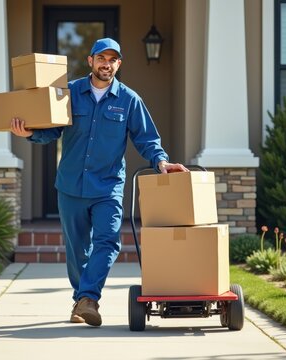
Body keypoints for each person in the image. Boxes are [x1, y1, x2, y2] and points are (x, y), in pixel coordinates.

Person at [10, 38, 188, 327]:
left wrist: (162, 162)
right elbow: (50, 132)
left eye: (112, 59)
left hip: (107, 187)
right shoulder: (68, 94)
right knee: (77, 250)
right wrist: (28, 132)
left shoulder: (129, 100)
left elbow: (147, 139)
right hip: (70, 185)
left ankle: (89, 299)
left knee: (107, 241)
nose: (107, 64)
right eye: (101, 58)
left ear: (119, 64)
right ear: (90, 61)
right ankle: (81, 301)